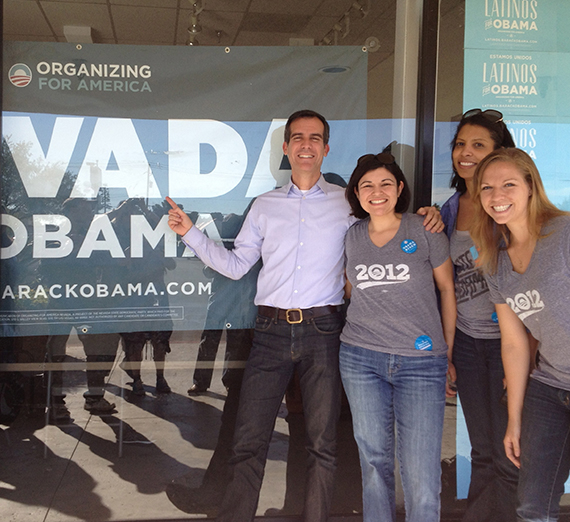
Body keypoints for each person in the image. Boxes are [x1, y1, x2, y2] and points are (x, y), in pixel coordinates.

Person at [166, 109, 442, 522]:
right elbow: (237, 265)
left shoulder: (347, 205)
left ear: (326, 149)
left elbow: (388, 220)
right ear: (286, 148)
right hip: (271, 331)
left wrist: (428, 215)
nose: (306, 144)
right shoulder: (264, 206)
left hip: (325, 331)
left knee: (322, 444)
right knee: (249, 439)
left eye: (315, 138)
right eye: (298, 137)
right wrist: (190, 233)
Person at [339, 152, 456, 522]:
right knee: (373, 462)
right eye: (367, 185)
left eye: (386, 183)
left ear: (400, 188)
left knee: (421, 472)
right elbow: (349, 290)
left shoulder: (424, 229)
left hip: (422, 363)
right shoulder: (352, 237)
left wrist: (447, 353)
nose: (377, 192)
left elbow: (447, 290)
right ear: (356, 194)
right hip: (360, 358)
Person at [470, 147, 570, 522]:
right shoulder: (494, 261)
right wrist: (514, 420)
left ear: (530, 187)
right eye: (487, 188)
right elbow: (513, 344)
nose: (497, 197)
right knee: (531, 506)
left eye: (508, 185)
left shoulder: (564, 234)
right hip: (549, 387)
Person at [440, 108, 518, 521]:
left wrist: (526, 356)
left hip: (511, 346)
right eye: (459, 144)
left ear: (499, 152)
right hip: (470, 346)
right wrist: (449, 352)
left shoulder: (511, 206)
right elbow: (449, 287)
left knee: (510, 453)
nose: (465, 152)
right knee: (483, 451)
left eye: (478, 145)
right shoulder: (451, 208)